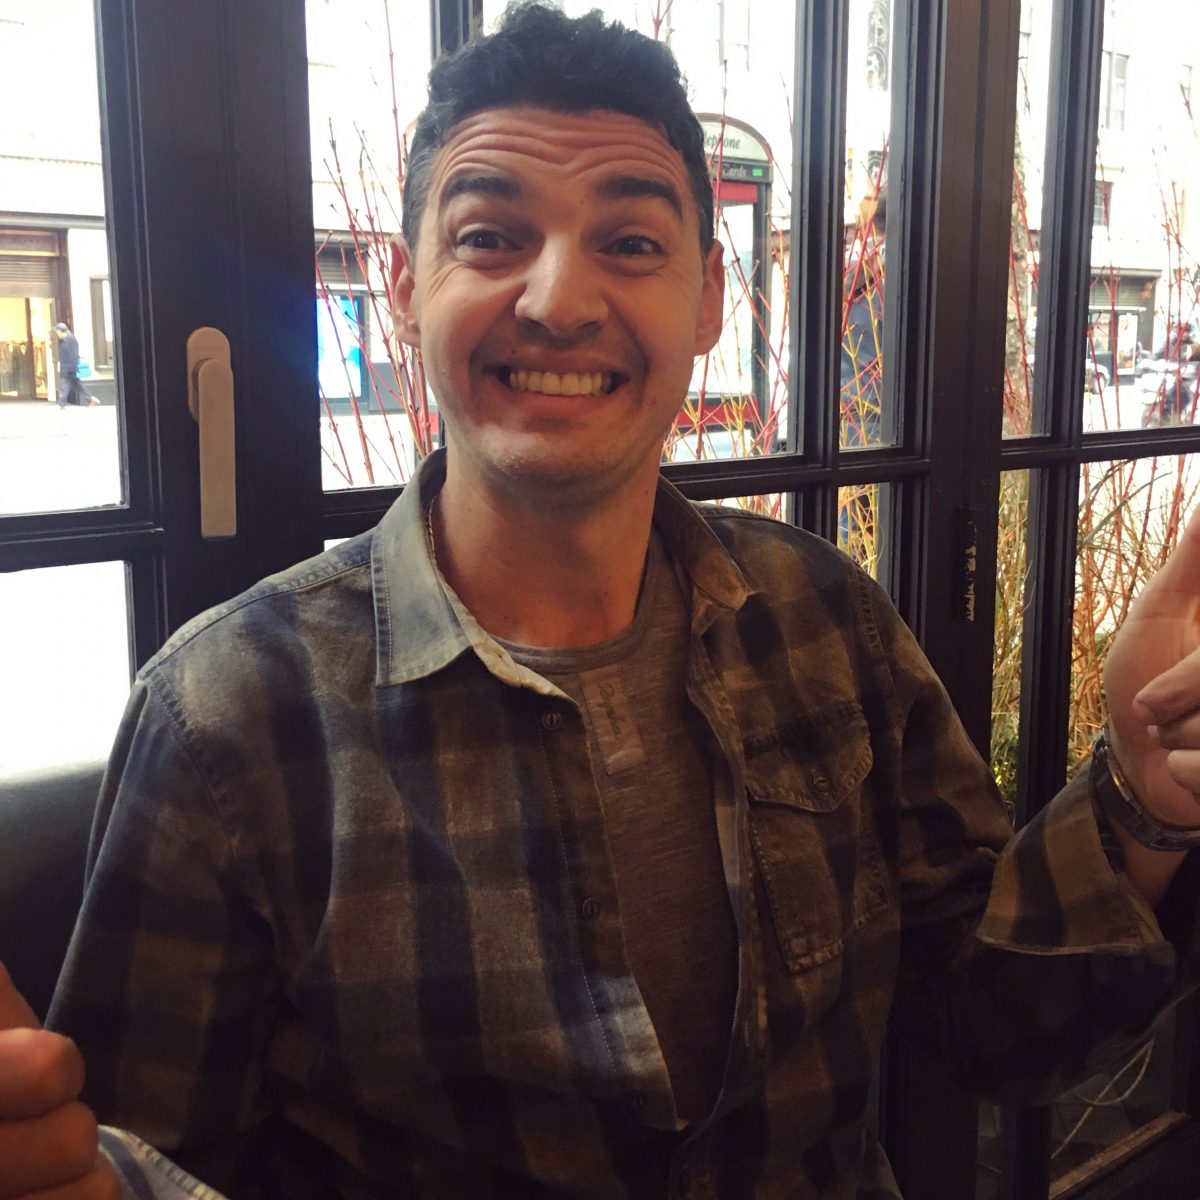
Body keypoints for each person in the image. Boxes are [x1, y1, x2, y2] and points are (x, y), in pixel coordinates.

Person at [3, 6, 1200, 1198]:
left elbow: (992, 1024)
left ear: (710, 296)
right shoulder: (228, 717)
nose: (560, 300)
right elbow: (135, 1158)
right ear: (405, 286)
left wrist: (1144, 795)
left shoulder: (824, 619)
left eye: (630, 242)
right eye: (490, 237)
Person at [53, 322, 99, 409]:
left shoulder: (71, 340)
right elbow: (62, 354)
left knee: (64, 384)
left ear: (62, 331)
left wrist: (71, 367)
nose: (57, 334)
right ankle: (91, 399)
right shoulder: (63, 340)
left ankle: (61, 404)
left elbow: (74, 354)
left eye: (57, 332)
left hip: (69, 368)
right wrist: (60, 364)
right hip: (66, 367)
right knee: (77, 385)